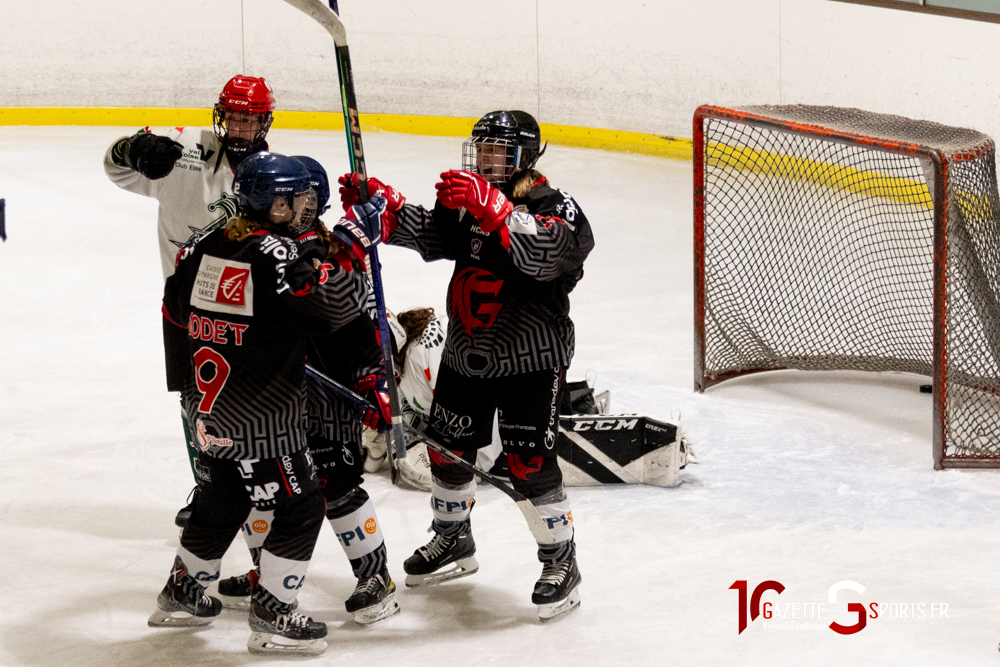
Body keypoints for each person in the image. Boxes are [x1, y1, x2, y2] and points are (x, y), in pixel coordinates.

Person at [338, 109, 595, 622]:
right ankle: (453, 539)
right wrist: (385, 213)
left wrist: (497, 210)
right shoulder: (471, 199)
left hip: (531, 359)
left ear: (524, 156)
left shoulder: (555, 205)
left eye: (497, 151)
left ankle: (561, 561)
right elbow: (436, 237)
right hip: (466, 351)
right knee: (447, 452)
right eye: (481, 149)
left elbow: (550, 253)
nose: (484, 159)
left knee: (528, 464)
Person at [150, 151, 387, 655]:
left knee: (225, 496)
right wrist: (355, 245)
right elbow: (335, 308)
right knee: (301, 506)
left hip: (208, 406)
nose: (305, 203)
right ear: (276, 203)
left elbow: (172, 310)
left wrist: (183, 385)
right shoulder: (275, 254)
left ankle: (185, 591)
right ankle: (276, 612)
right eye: (297, 196)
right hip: (263, 414)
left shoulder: (207, 244)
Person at [216, 156, 400, 626]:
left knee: (333, 484)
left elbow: (360, 319)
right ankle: (269, 576)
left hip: (329, 391)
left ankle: (376, 575)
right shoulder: (265, 247)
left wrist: (371, 377)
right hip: (276, 393)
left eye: (307, 201)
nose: (300, 208)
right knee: (264, 487)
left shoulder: (330, 252)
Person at [104, 75, 277, 527]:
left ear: (265, 121)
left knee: (255, 401)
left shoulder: (277, 174)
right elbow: (117, 168)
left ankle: (262, 484)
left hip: (251, 313)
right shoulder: (183, 156)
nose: (239, 128)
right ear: (221, 115)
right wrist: (131, 150)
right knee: (194, 402)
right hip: (184, 311)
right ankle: (211, 488)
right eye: (233, 117)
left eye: (250, 119)